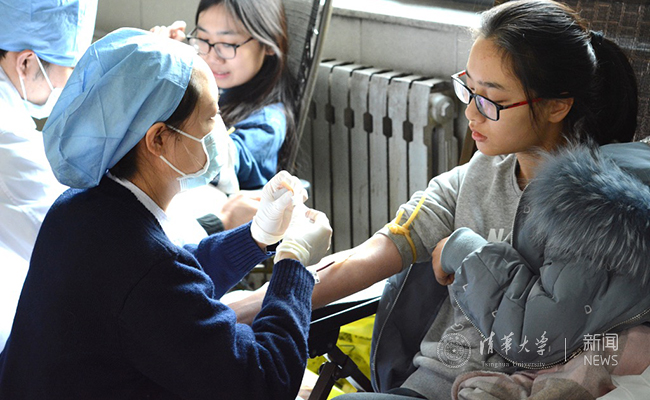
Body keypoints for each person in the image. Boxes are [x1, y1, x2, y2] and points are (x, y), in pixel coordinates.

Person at [230, 1, 639, 398]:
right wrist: (232, 312)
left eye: (491, 100)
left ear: (557, 106)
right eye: (469, 90)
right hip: (425, 388)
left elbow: (556, 336)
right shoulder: (475, 176)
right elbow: (366, 256)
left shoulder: (600, 214)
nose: (471, 114)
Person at [0, 28, 332, 400]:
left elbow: (175, 278)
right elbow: (265, 380)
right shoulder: (145, 265)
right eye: (209, 118)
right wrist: (294, 263)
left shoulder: (79, 207)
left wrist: (257, 236)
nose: (218, 131)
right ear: (158, 139)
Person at [434, 141, 650, 398]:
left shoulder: (592, 205)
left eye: (495, 112)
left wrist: (463, 250)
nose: (473, 118)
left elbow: (532, 337)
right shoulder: (620, 171)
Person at [0, 0, 97, 353]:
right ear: (27, 62)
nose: (69, 85)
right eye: (69, 70)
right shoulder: (7, 138)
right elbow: (73, 250)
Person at [152, 0, 296, 190]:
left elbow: (219, 165)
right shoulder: (219, 88)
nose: (212, 56)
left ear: (270, 44)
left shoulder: (267, 122)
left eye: (228, 44)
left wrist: (170, 74)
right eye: (203, 39)